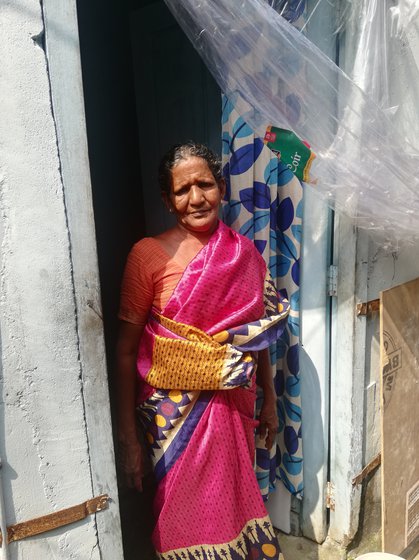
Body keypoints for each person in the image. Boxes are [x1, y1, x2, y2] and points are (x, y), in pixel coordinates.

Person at [116, 142, 289, 560]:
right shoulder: (147, 256)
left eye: (205, 184)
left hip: (233, 407)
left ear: (222, 187)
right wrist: (127, 438)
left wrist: (269, 401)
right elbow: (125, 352)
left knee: (231, 500)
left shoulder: (244, 255)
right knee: (178, 513)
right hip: (173, 419)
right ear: (167, 199)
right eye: (182, 190)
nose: (196, 198)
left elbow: (256, 338)